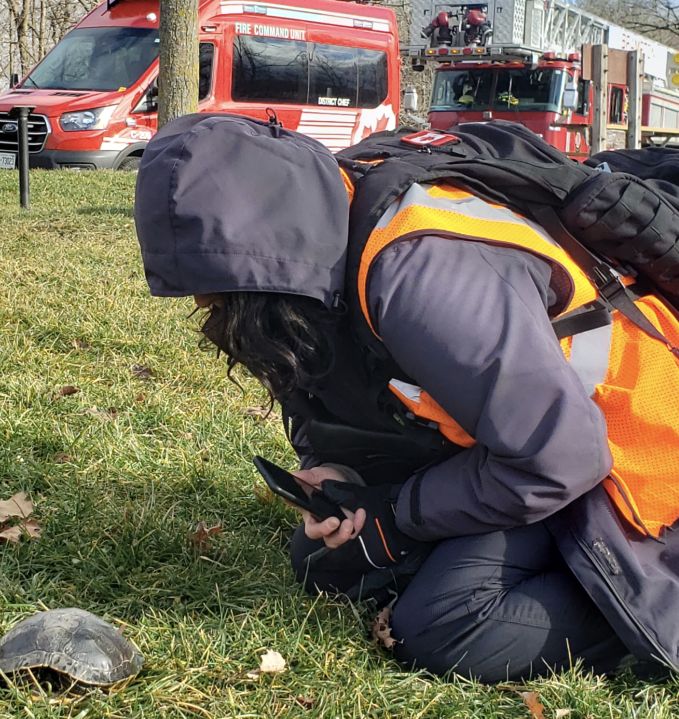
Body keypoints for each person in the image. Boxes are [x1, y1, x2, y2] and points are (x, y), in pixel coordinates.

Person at [133, 113, 679, 683]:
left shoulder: (418, 277)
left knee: (446, 629)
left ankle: (634, 618)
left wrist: (397, 514)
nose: (201, 307)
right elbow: (332, 388)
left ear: (263, 265)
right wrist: (331, 469)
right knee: (325, 561)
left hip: (628, 455)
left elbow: (564, 460)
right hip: (519, 439)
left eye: (212, 294)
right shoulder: (328, 222)